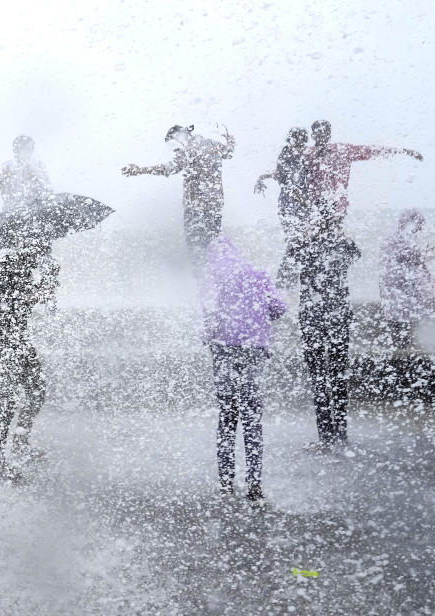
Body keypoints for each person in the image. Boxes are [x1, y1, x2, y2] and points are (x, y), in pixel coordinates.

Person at [201, 237, 285, 502]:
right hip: (254, 351)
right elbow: (278, 308)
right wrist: (257, 321)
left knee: (227, 416)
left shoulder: (212, 279)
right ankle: (254, 483)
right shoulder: (257, 274)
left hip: (224, 351)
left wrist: (211, 334)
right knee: (252, 417)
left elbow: (209, 320)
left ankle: (226, 482)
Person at [0, 239, 58, 482]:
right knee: (8, 400)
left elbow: (37, 303)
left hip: (19, 339)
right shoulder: (2, 267)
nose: (42, 256)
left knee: (37, 391)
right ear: (25, 247)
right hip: (0, 341)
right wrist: (43, 289)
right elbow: (15, 302)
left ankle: (20, 443)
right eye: (40, 251)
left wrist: (48, 285)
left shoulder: (26, 268)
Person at [292, 208, 362, 448]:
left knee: (318, 379)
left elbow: (287, 268)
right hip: (338, 317)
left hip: (312, 318)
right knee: (338, 375)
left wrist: (305, 234)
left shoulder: (303, 245)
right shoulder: (342, 244)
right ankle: (341, 433)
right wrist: (338, 234)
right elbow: (357, 254)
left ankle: (325, 435)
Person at [122, 124, 235, 256]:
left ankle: (205, 271)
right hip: (215, 203)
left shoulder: (190, 150)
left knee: (196, 247)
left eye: (172, 144)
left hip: (196, 205)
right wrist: (230, 141)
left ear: (181, 137)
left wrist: (141, 170)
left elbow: (168, 168)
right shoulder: (211, 144)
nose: (174, 149)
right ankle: (221, 267)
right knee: (213, 239)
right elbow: (228, 152)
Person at [303, 120, 422, 225]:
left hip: (336, 206)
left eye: (325, 132)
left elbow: (372, 151)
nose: (322, 135)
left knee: (333, 237)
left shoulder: (342, 151)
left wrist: (403, 151)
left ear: (329, 134)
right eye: (319, 132)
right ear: (313, 135)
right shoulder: (307, 155)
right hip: (314, 206)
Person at [254, 127, 310, 287]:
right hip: (290, 206)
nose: (300, 145)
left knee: (300, 242)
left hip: (300, 205)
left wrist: (264, 176)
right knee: (296, 242)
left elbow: (279, 174)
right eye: (298, 141)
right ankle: (285, 282)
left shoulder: (302, 155)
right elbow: (286, 181)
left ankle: (289, 281)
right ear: (292, 141)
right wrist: (304, 200)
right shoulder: (287, 155)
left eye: (302, 142)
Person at [380, 209, 435, 350]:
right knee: (401, 322)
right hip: (400, 288)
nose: (420, 228)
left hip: (397, 287)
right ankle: (403, 353)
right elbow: (408, 257)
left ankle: (403, 350)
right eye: (419, 224)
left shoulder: (402, 236)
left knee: (401, 321)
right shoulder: (400, 237)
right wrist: (425, 255)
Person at [0, 135, 52, 213]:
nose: (26, 153)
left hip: (35, 213)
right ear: (16, 151)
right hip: (11, 214)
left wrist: (38, 177)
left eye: (29, 149)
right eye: (23, 149)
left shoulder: (39, 166)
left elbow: (49, 192)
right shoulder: (5, 167)